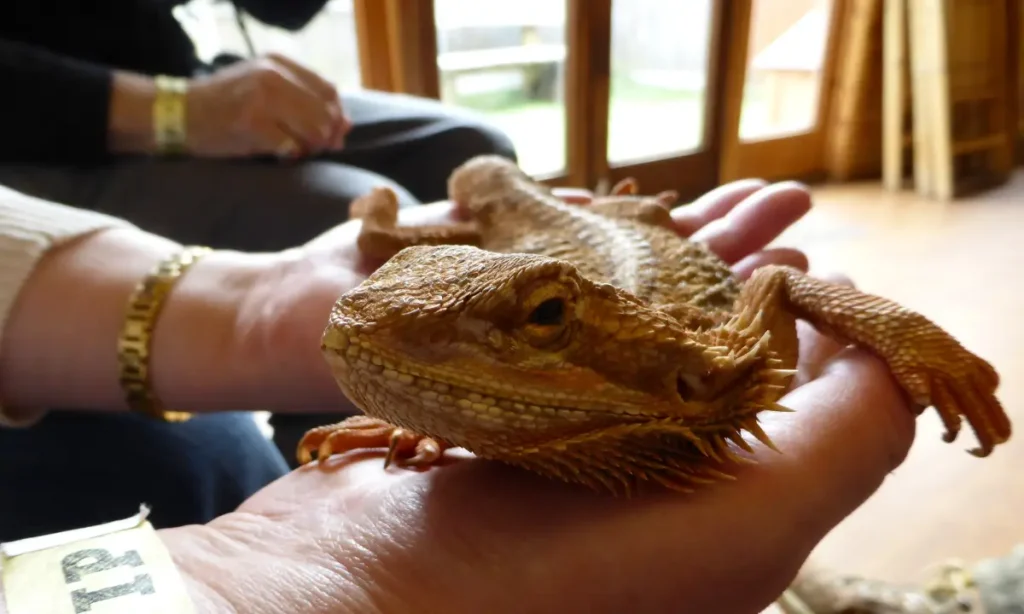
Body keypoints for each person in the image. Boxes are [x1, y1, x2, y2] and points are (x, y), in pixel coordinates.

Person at [0, 175, 925, 613]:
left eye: (549, 323)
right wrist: (253, 592)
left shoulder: (698, 368)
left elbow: (774, 287)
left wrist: (903, 334)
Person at [0, 0, 519, 460]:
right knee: (353, 219)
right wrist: (174, 113)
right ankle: (355, 494)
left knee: (473, 148)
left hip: (178, 68)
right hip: (42, 133)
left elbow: (284, 11)